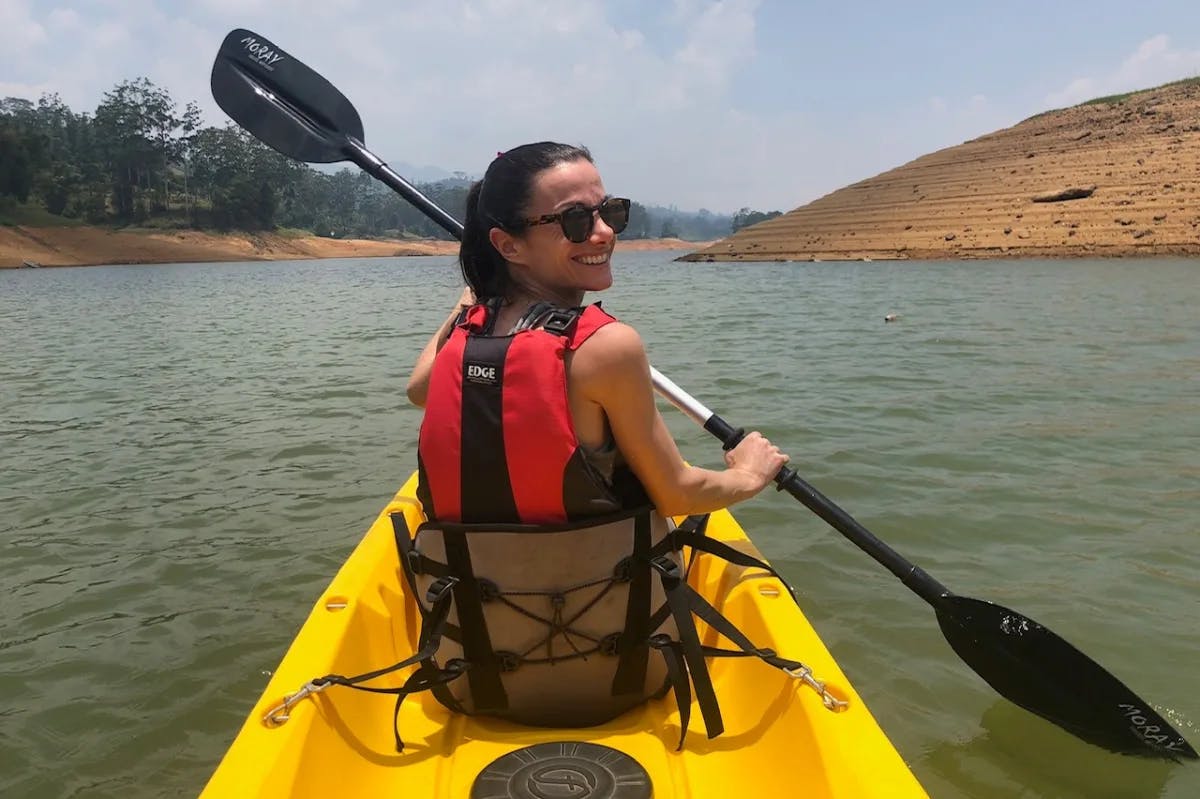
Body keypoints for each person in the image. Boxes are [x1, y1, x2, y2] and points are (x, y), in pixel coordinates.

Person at [395, 141, 789, 743]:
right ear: (508, 244)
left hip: (472, 675)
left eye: (612, 212)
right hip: (620, 671)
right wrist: (749, 474)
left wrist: (468, 303)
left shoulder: (460, 340)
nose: (603, 232)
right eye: (577, 220)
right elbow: (680, 493)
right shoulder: (609, 346)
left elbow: (421, 389)